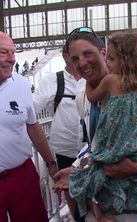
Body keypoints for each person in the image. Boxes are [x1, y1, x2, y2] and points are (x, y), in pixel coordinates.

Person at [53, 27, 137, 222]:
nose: (82, 63)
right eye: (75, 58)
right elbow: (97, 145)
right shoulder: (82, 98)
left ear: (104, 54)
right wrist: (77, 167)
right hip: (108, 194)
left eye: (88, 54)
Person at [0, 31, 58, 221]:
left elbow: (33, 127)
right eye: (3, 52)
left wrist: (50, 163)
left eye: (13, 52)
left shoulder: (21, 85)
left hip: (22, 176)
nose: (12, 59)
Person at [32, 45, 86, 220]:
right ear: (65, 56)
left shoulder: (93, 78)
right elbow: (31, 111)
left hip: (90, 150)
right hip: (65, 150)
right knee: (70, 193)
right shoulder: (52, 81)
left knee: (95, 197)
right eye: (75, 55)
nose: (81, 59)